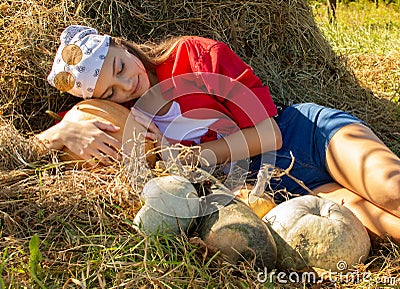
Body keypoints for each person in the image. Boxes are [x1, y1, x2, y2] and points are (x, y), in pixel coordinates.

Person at [37, 25, 400, 244]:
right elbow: (28, 147)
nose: (127, 85)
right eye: (110, 92)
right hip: (278, 191)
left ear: (120, 44)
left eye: (119, 66)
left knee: (390, 188)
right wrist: (63, 130)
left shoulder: (193, 56)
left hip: (304, 136)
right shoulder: (122, 117)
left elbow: (269, 133)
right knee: (384, 225)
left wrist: (201, 157)